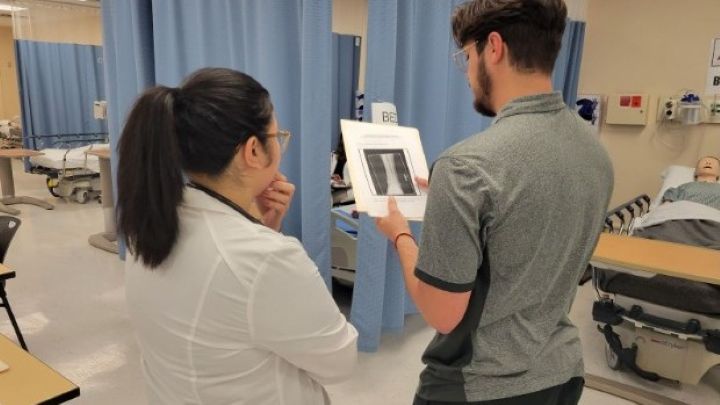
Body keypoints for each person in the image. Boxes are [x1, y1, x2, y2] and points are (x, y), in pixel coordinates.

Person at [374, 1, 614, 404]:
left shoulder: (467, 166)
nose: (467, 73)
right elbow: (530, 219)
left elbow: (442, 313)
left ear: (494, 47)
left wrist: (399, 235)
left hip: (480, 387)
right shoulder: (594, 152)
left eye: (466, 56)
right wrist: (451, 200)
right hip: (561, 374)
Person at [117, 68, 357, 404]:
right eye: (277, 137)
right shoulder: (265, 258)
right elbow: (340, 361)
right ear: (253, 151)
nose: (280, 145)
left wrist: (257, 223)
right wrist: (262, 237)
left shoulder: (151, 224)